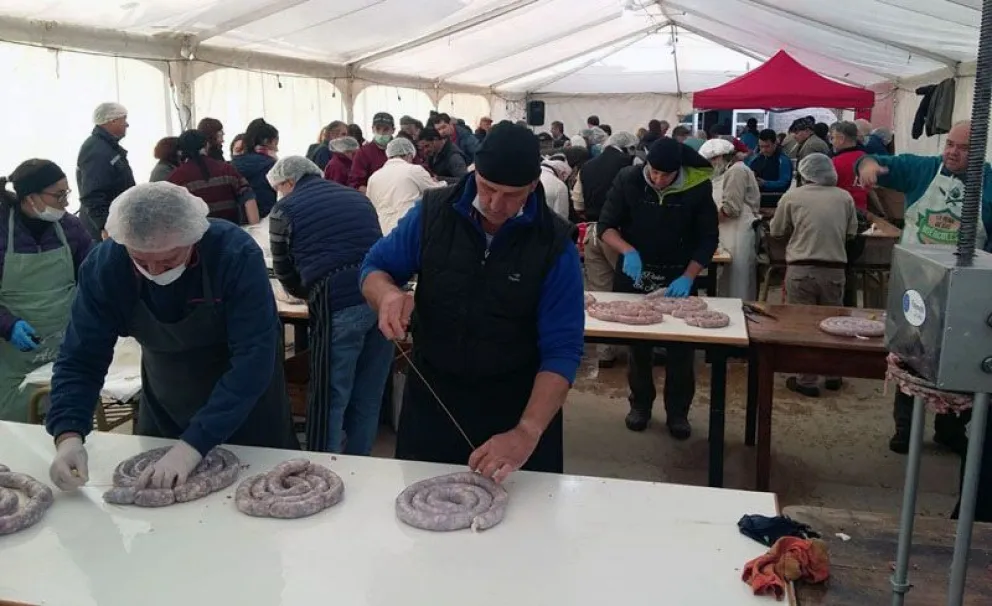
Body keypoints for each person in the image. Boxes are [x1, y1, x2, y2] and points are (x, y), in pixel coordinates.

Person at [360, 121, 584, 481]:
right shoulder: (433, 213)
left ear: (532, 185)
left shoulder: (555, 244)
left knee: (521, 513)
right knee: (421, 503)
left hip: (516, 402)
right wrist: (386, 293)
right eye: (487, 187)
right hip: (432, 399)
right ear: (474, 171)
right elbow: (375, 267)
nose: (495, 204)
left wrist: (527, 431)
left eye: (512, 194)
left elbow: (563, 349)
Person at [46, 182, 297, 492]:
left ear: (193, 239)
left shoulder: (232, 254)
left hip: (247, 403)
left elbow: (255, 356)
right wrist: (68, 434)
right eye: (141, 261)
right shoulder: (106, 268)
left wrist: (192, 446)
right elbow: (81, 357)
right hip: (166, 398)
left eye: (168, 261)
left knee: (258, 494)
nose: (155, 271)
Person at [856, 120, 991, 455]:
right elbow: (872, 160)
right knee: (909, 360)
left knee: (961, 361)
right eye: (950, 144)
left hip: (967, 294)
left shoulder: (988, 184)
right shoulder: (923, 169)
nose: (952, 152)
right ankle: (905, 429)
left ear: (979, 152)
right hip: (917, 287)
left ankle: (950, 427)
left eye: (963, 148)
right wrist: (867, 166)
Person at [267, 157, 392, 454]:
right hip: (383, 299)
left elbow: (283, 269)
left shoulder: (284, 209)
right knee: (368, 393)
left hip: (337, 301)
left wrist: (302, 292)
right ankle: (359, 462)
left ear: (288, 182)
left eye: (279, 188)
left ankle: (325, 468)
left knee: (330, 396)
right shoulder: (357, 198)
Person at [598, 138, 718, 438]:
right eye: (654, 172)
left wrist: (689, 276)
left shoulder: (697, 187)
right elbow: (606, 226)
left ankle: (678, 413)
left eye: (666, 175)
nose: (659, 179)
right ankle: (640, 404)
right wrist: (627, 251)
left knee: (681, 349)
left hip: (677, 275)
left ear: (679, 170)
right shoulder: (628, 179)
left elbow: (708, 238)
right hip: (636, 272)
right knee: (639, 348)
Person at [0, 160, 93, 422]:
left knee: (66, 415)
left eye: (67, 193)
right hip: (12, 354)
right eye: (59, 195)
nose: (66, 202)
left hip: (64, 343)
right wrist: (8, 325)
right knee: (16, 426)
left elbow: (92, 273)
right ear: (31, 197)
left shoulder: (70, 227)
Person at [769, 153, 858, 398]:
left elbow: (776, 231)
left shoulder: (792, 197)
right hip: (835, 270)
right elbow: (851, 233)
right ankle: (832, 374)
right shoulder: (844, 197)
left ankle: (807, 380)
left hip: (801, 268)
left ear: (803, 173)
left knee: (803, 326)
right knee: (834, 324)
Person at [699, 138, 760, 300]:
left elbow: (731, 209)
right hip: (728, 232)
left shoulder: (737, 171)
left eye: (711, 161)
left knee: (738, 283)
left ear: (719, 157)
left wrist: (703, 220)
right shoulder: (726, 172)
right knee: (725, 282)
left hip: (738, 232)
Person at [168, 130, 259, 225]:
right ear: (207, 145)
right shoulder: (227, 169)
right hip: (230, 230)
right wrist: (255, 228)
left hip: (196, 233)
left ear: (180, 151)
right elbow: (248, 197)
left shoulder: (176, 178)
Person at [77, 102, 136, 241]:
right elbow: (93, 193)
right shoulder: (97, 150)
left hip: (116, 220)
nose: (127, 124)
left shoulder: (108, 147)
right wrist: (104, 226)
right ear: (112, 121)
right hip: (104, 229)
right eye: (124, 119)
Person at [366, 138, 443, 235]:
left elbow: (371, 205)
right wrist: (442, 183)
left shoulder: (374, 177)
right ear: (410, 155)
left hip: (384, 231)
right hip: (410, 228)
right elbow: (437, 192)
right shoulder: (414, 170)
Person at [231, 118, 279, 218]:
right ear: (266, 141)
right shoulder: (270, 165)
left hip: (237, 218)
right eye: (275, 143)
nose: (277, 149)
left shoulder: (231, 165)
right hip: (267, 216)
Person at [829, 121, 870, 212]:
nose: (832, 142)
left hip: (840, 209)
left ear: (841, 139)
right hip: (862, 209)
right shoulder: (866, 158)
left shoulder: (835, 162)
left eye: (832, 138)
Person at [348, 112, 393, 192]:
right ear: (372, 129)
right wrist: (376, 194)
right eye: (378, 129)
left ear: (393, 130)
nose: (381, 133)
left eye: (386, 129)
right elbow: (356, 184)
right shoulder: (363, 153)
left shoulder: (401, 150)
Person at [748, 129, 793, 207]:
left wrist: (765, 183)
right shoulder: (755, 159)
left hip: (775, 200)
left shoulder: (783, 160)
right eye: (761, 146)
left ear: (775, 143)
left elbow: (784, 183)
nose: (764, 150)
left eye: (767, 146)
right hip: (754, 199)